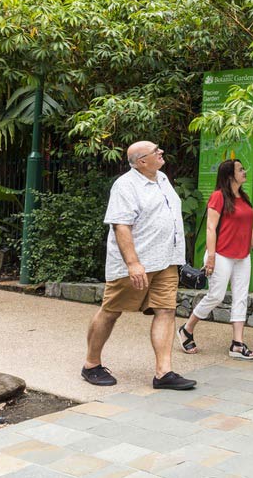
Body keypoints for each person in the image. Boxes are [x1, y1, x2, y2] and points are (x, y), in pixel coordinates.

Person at [81, 141, 196, 390]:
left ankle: (163, 372)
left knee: (165, 310)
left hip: (166, 260)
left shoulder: (162, 178)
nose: (161, 152)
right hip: (137, 263)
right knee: (111, 310)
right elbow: (121, 225)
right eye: (156, 151)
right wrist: (133, 264)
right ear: (142, 161)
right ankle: (91, 364)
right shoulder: (125, 185)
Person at [177, 159, 253, 359]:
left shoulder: (243, 197)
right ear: (229, 175)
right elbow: (210, 227)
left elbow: (248, 227)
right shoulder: (218, 197)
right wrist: (211, 256)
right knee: (216, 296)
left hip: (243, 256)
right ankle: (186, 329)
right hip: (222, 255)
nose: (244, 171)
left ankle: (237, 343)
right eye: (240, 169)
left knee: (241, 297)